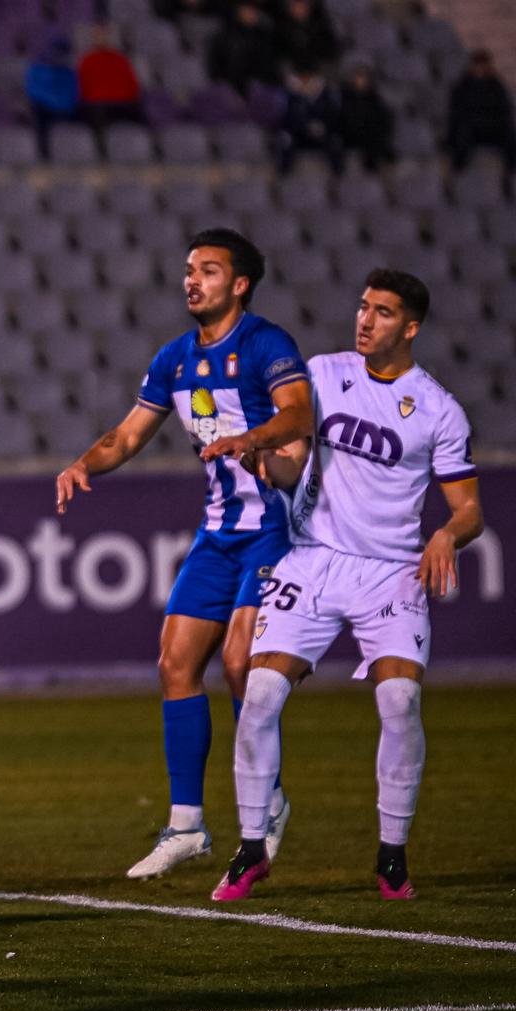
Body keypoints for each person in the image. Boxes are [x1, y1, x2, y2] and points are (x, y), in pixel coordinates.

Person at [215, 269, 483, 902]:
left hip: (391, 569)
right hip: (313, 559)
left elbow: (468, 509)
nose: (365, 320)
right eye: (363, 307)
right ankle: (252, 849)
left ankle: (392, 856)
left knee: (399, 703)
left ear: (410, 328)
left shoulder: (439, 409)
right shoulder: (324, 370)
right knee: (259, 693)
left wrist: (447, 534)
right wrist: (259, 450)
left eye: (383, 312)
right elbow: (292, 444)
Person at [55, 229, 314, 880]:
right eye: (188, 270)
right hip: (218, 532)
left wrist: (248, 440)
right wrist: (85, 463)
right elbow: (127, 434)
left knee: (238, 663)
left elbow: (299, 414)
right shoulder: (174, 359)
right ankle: (187, 826)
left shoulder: (266, 345)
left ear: (240, 283)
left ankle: (268, 798)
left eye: (208, 270)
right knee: (174, 663)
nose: (192, 280)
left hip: (274, 529)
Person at [447, 50, 516, 180]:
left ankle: (511, 173)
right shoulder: (462, 87)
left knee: (510, 134)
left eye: (483, 64)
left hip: (492, 128)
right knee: (462, 132)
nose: (480, 68)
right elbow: (457, 112)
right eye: (478, 64)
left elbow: (504, 109)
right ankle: (459, 172)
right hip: (472, 128)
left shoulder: (496, 85)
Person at [77, 24, 145, 139]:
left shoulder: (120, 59)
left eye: (104, 36)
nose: (102, 39)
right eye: (98, 36)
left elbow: (132, 83)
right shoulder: (87, 60)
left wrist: (133, 97)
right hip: (98, 105)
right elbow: (82, 85)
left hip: (124, 102)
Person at [276, 64, 344, 175]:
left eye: (309, 78)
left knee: (335, 141)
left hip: (321, 134)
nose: (305, 82)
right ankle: (284, 175)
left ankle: (338, 176)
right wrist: (304, 127)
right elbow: (286, 120)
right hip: (299, 134)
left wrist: (323, 127)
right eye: (302, 78)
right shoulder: (291, 96)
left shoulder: (326, 95)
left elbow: (332, 118)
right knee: (285, 140)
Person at [26, 35, 81, 160]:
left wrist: (63, 105)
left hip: (66, 108)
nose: (59, 55)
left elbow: (73, 94)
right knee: (37, 111)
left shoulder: (69, 73)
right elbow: (34, 92)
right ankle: (44, 155)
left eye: (63, 52)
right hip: (47, 109)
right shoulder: (36, 70)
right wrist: (55, 103)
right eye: (56, 51)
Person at [209, 3, 282, 96]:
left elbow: (270, 65)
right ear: (238, 12)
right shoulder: (226, 36)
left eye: (253, 11)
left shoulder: (265, 36)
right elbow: (218, 66)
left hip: (261, 87)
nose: (250, 14)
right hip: (230, 89)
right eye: (246, 10)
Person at [339, 65, 395, 172]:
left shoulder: (374, 97)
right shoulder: (344, 96)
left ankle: (374, 162)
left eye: (363, 77)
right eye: (358, 77)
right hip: (350, 134)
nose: (360, 80)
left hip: (369, 134)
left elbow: (382, 118)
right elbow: (342, 117)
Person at [275, 0, 339, 75]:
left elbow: (330, 52)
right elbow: (280, 55)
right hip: (290, 75)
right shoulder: (282, 29)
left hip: (319, 73)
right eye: (296, 6)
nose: (299, 10)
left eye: (302, 6)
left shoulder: (321, 26)